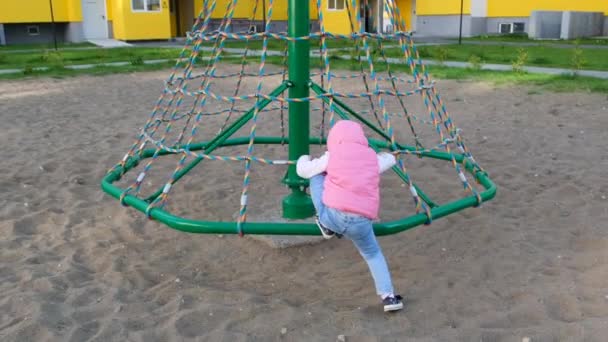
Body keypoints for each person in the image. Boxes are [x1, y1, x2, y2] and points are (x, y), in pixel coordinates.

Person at [296, 120, 403, 312]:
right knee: (372, 254)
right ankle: (389, 297)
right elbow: (387, 160)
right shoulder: (371, 157)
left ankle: (325, 224)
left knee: (316, 175)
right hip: (362, 220)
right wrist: (393, 155)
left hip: (335, 215)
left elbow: (303, 170)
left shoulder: (332, 155)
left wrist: (303, 158)